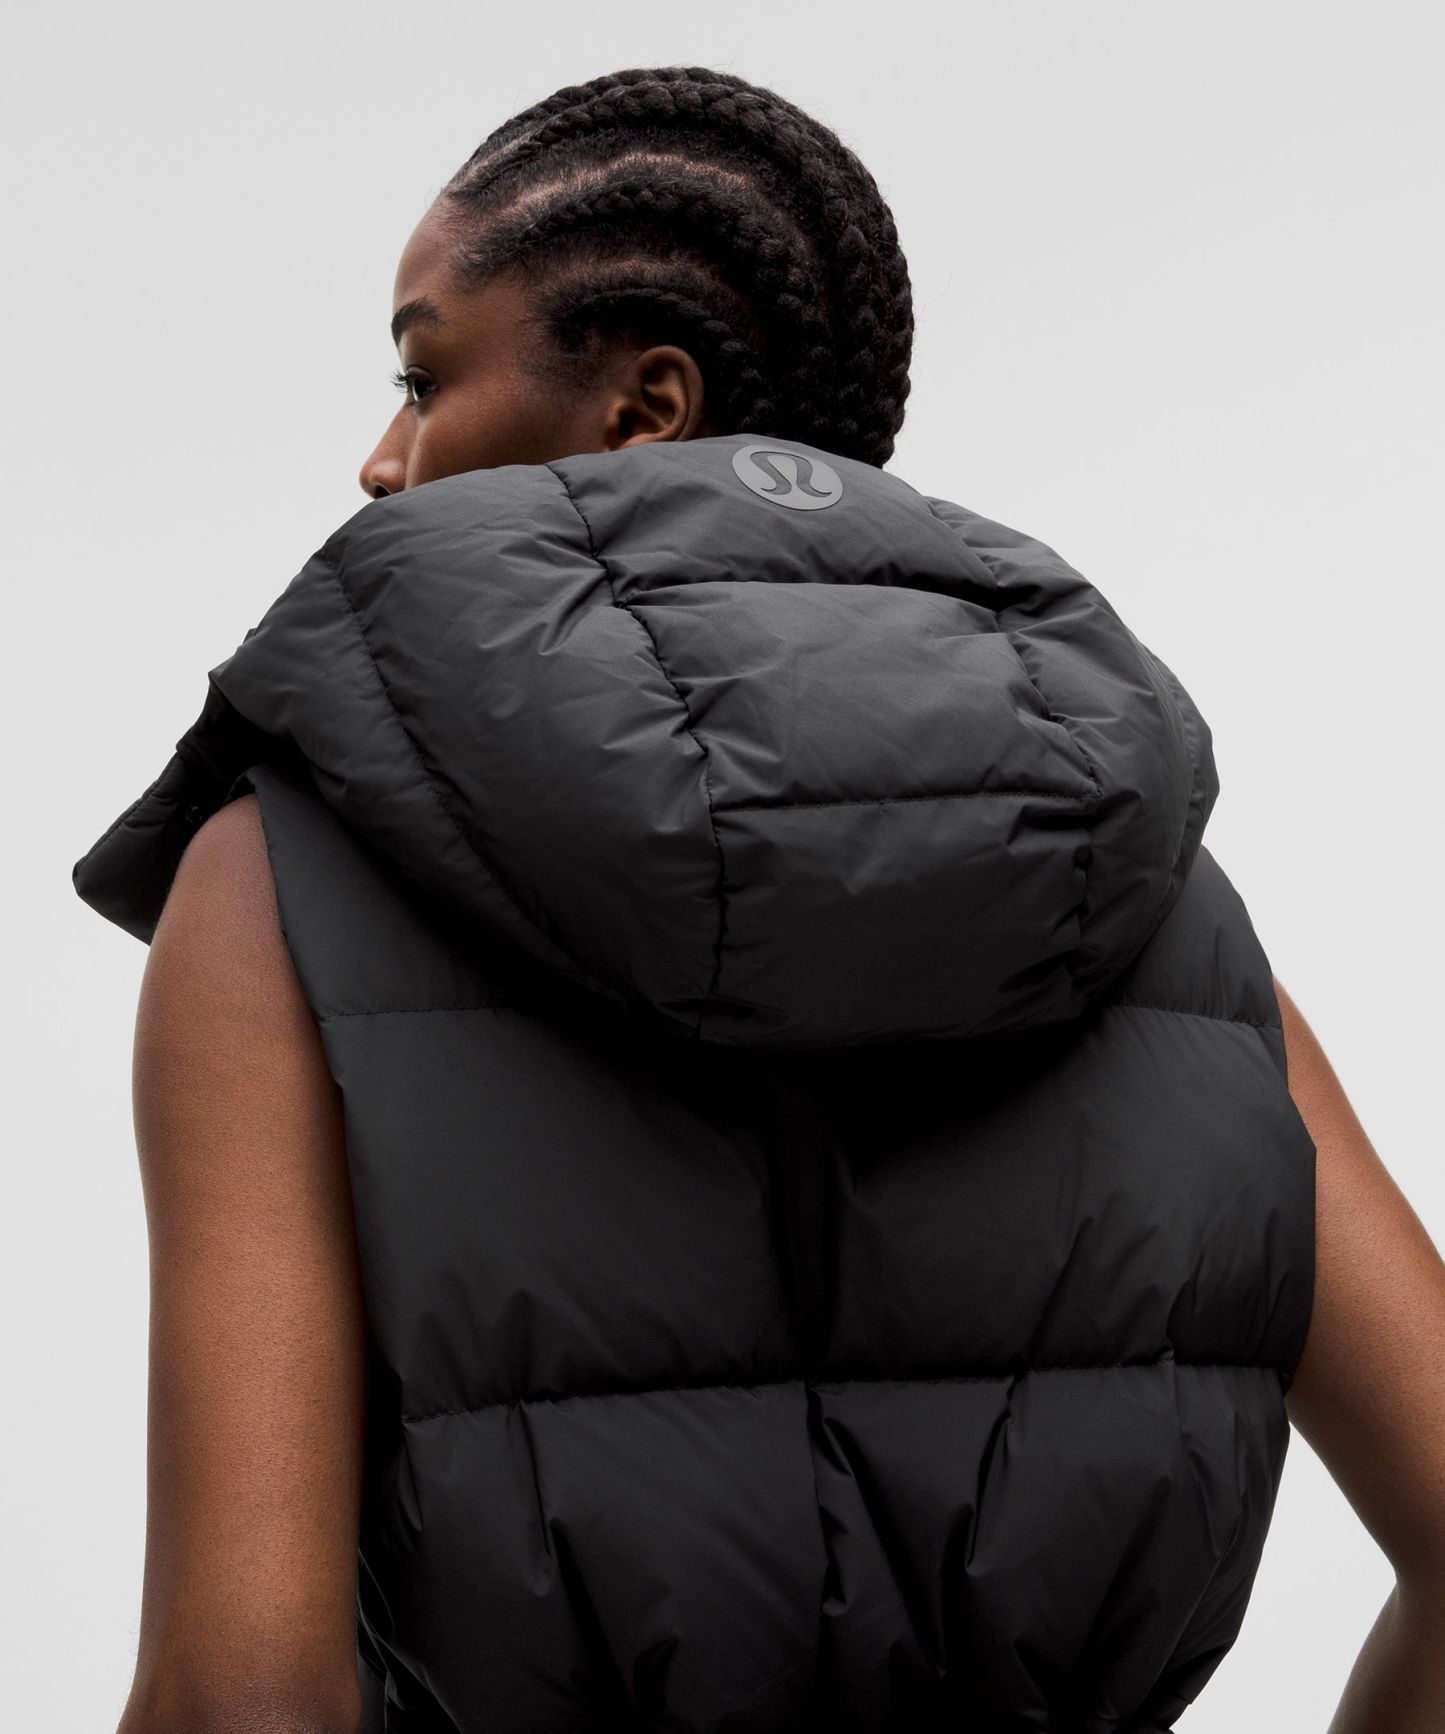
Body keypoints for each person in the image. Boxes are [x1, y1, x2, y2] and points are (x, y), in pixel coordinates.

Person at [75, 65, 1444, 1734]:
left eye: (422, 377)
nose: (380, 458)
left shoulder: (280, 876)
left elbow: (240, 1696)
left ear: (645, 406)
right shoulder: (1142, 895)